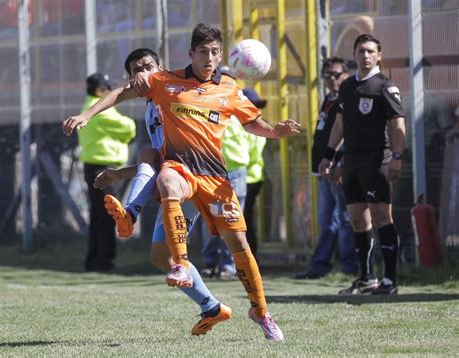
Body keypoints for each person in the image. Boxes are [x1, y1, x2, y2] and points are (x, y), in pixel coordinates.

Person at [63, 23, 301, 341]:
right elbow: (121, 93)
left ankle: (260, 312)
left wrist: (275, 132)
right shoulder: (167, 82)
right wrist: (87, 115)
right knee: (168, 179)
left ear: (221, 55)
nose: (209, 58)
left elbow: (251, 122)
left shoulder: (228, 88)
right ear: (191, 54)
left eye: (215, 52)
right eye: (203, 52)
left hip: (215, 178)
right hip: (181, 171)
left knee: (238, 246)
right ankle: (181, 263)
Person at [90, 48, 230, 336]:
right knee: (159, 257)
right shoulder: (151, 106)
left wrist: (86, 115)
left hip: (193, 178)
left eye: (148, 66)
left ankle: (130, 214)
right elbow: (156, 160)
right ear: (131, 79)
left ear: (160, 68)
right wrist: (119, 173)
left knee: (238, 246)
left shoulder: (173, 94)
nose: (144, 72)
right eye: (136, 70)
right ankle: (212, 308)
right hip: (171, 180)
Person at [319, 34, 406, 295]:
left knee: (381, 216)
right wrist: (329, 154)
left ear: (379, 55)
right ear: (354, 55)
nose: (365, 56)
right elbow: (339, 124)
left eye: (370, 51)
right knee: (357, 219)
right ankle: (366, 277)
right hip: (352, 160)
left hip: (378, 158)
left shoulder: (384, 86)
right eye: (360, 51)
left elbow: (397, 123)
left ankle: (390, 279)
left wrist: (398, 157)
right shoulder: (347, 87)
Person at [295, 57, 358, 279]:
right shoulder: (330, 98)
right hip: (323, 169)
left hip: (337, 168)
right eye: (327, 76)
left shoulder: (348, 97)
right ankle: (320, 266)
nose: (332, 80)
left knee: (344, 218)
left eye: (336, 75)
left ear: (347, 74)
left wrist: (340, 162)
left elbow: (349, 133)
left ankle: (350, 266)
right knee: (326, 220)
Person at [78, 73, 136, 272]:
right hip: (104, 167)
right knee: (110, 214)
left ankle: (93, 260)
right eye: (109, 89)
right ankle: (105, 261)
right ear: (100, 91)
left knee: (98, 214)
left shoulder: (88, 105)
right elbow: (129, 127)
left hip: (92, 165)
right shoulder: (101, 110)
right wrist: (123, 136)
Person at [199, 67, 250, 280]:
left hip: (236, 170)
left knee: (232, 221)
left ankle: (229, 265)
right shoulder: (207, 101)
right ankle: (210, 262)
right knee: (209, 220)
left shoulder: (240, 102)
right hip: (211, 170)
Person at [242, 88, 268, 261]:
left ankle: (250, 258)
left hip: (248, 178)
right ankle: (251, 258)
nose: (256, 109)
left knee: (244, 221)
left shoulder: (250, 126)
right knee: (245, 220)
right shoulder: (248, 124)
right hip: (252, 177)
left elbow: (249, 153)